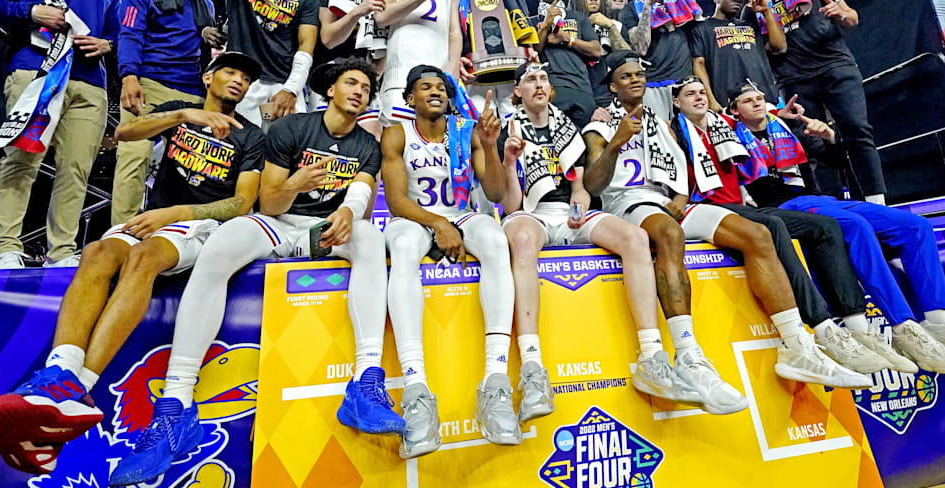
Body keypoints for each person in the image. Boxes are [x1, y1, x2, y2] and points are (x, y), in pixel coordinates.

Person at [0, 52, 264, 475]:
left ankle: (79, 388)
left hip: (196, 224)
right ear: (208, 77)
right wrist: (183, 116)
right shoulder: (178, 112)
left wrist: (174, 214)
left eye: (246, 78)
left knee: (144, 256)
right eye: (230, 72)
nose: (238, 81)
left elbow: (241, 204)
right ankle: (57, 377)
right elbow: (127, 131)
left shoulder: (252, 136)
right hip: (151, 218)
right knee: (98, 251)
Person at [109, 57, 398, 486]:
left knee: (371, 239)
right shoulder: (290, 129)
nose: (359, 91)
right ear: (330, 90)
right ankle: (175, 406)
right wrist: (295, 186)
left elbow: (361, 191)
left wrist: (350, 212)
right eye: (350, 83)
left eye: (366, 87)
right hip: (279, 221)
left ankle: (366, 383)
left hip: (322, 230)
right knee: (221, 246)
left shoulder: (366, 146)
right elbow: (270, 202)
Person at [584, 53, 875, 397]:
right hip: (627, 204)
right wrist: (616, 142)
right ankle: (688, 355)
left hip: (668, 203)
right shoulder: (599, 125)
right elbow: (593, 185)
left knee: (757, 233)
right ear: (612, 86)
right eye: (626, 76)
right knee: (668, 233)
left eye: (639, 74)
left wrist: (679, 196)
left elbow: (680, 170)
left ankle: (797, 345)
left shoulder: (659, 122)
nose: (635, 80)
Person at [729, 82, 945, 372]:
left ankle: (940, 323)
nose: (758, 103)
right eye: (748, 100)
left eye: (760, 98)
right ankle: (903, 328)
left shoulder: (786, 128)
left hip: (822, 200)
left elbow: (835, 160)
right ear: (734, 110)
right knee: (857, 226)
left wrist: (830, 137)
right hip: (783, 207)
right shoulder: (730, 137)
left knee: (917, 226)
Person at [498, 61, 693, 424]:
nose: (539, 84)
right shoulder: (506, 131)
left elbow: (580, 189)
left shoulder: (565, 127)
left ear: (551, 89)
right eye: (530, 80)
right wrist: (510, 162)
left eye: (544, 78)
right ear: (517, 92)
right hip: (529, 212)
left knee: (634, 238)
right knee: (523, 240)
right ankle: (532, 369)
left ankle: (652, 357)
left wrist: (577, 207)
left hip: (567, 213)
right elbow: (509, 204)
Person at [382, 66, 519, 456]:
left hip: (460, 214)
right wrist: (439, 223)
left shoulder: (466, 131)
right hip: (413, 218)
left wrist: (490, 146)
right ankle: (416, 390)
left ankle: (494, 385)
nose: (436, 92)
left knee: (495, 240)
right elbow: (396, 201)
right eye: (425, 87)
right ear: (410, 98)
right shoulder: (397, 133)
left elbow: (493, 193)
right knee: (406, 248)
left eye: (441, 87)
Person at [0, 0, 120, 269]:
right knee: (22, 159)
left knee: (76, 170)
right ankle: (5, 249)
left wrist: (108, 44)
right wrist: (29, 11)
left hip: (91, 84)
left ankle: (61, 252)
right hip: (36, 73)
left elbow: (117, 36)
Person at [743, 0, 885, 203]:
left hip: (835, 65)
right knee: (812, 143)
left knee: (856, 129)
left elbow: (853, 18)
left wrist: (841, 14)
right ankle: (832, 206)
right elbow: (773, 50)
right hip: (794, 77)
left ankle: (876, 201)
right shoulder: (751, 10)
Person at [111, 0, 224, 224]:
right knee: (133, 159)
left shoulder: (206, 5)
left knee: (196, 165)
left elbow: (207, 52)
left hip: (191, 90)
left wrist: (211, 38)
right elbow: (130, 34)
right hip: (150, 84)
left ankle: (183, 230)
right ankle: (121, 235)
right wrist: (129, 77)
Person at [447, 0, 538, 120]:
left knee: (516, 125)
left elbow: (522, 22)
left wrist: (529, 49)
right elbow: (453, 32)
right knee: (481, 127)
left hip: (511, 68)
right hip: (474, 73)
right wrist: (457, 61)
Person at [315, 0, 389, 136]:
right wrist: (359, 10)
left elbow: (388, 41)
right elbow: (329, 38)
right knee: (325, 140)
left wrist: (371, 83)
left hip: (367, 77)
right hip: (330, 74)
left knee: (372, 140)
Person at [618, 0, 700, 118]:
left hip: (684, 80)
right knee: (662, 136)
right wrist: (648, 5)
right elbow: (640, 48)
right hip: (653, 84)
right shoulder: (630, 9)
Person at [690, 0, 783, 109]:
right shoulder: (702, 28)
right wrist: (710, 100)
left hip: (764, 99)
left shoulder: (750, 25)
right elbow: (699, 65)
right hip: (728, 103)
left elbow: (779, 47)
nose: (737, 0)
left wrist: (766, 12)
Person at [529, 0, 601, 128]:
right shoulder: (530, 21)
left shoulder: (578, 17)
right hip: (550, 91)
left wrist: (568, 39)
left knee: (586, 145)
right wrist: (546, 24)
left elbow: (596, 51)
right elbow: (533, 53)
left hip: (582, 89)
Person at [568, 0, 630, 108]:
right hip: (578, 94)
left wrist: (610, 27)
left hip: (609, 95)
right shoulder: (568, 26)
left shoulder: (615, 26)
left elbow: (628, 60)